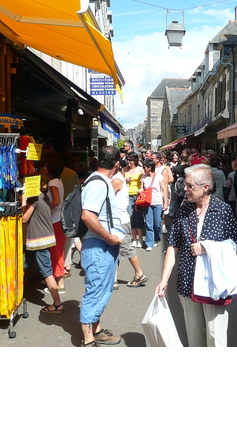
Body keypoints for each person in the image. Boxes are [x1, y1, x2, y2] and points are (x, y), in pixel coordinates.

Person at [156, 164, 237, 347]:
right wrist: (164, 280)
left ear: (205, 187)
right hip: (187, 280)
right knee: (194, 335)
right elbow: (173, 246)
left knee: (215, 336)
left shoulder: (223, 211)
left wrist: (206, 248)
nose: (185, 189)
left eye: (190, 186)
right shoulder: (184, 211)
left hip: (214, 283)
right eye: (185, 185)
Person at [79, 146, 125, 347]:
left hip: (102, 244)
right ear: (116, 164)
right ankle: (88, 340)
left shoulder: (99, 181)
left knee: (102, 289)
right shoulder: (98, 184)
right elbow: (87, 215)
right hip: (99, 244)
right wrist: (108, 237)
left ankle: (96, 330)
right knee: (96, 289)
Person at [21, 188, 63, 313]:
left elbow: (24, 218)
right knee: (24, 264)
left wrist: (24, 201)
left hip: (38, 241)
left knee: (47, 272)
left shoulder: (34, 200)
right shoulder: (44, 197)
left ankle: (57, 303)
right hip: (44, 238)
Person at [112, 157, 147, 289]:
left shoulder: (116, 180)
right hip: (118, 220)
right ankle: (114, 279)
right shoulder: (119, 179)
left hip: (120, 220)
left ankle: (139, 274)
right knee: (115, 249)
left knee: (126, 248)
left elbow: (106, 198)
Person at [44, 157, 66, 293]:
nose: (43, 169)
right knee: (58, 250)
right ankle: (57, 280)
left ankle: (60, 283)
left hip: (54, 219)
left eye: (45, 166)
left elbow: (56, 201)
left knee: (56, 251)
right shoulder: (58, 181)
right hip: (58, 219)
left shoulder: (52, 182)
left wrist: (44, 207)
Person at [140, 158, 169, 251]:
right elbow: (142, 189)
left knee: (157, 223)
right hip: (147, 203)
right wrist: (140, 192)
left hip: (157, 202)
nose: (143, 169)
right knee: (149, 224)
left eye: (144, 167)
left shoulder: (159, 176)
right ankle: (149, 243)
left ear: (149, 167)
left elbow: (164, 189)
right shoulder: (143, 177)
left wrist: (165, 202)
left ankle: (157, 238)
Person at [124, 153, 145, 248]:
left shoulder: (140, 170)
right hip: (127, 196)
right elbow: (119, 180)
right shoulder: (124, 169)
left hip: (137, 195)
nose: (128, 162)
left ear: (135, 161)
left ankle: (140, 239)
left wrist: (141, 190)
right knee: (131, 217)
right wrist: (125, 179)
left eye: (130, 160)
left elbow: (144, 181)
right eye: (127, 160)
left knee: (138, 217)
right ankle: (134, 239)